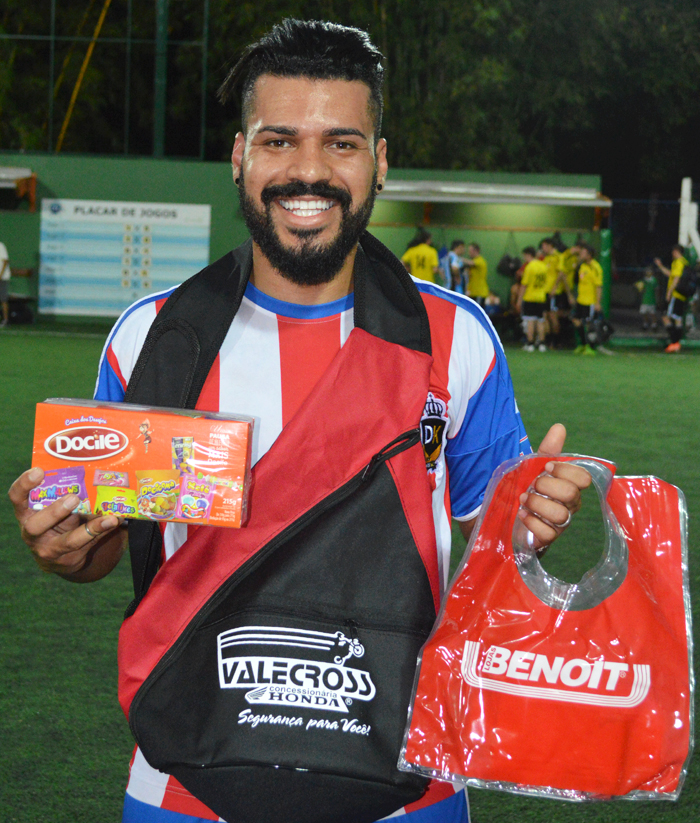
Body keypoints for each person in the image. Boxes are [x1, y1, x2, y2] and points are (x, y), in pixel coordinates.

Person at [9, 20, 590, 823]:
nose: (308, 170)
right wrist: (63, 544)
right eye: (279, 139)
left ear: (379, 162)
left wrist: (530, 520)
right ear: (240, 155)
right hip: (188, 782)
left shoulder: (458, 339)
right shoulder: (153, 338)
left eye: (341, 143)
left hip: (406, 781)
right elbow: (100, 546)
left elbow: (495, 538)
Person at [654, 245, 689, 353]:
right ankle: (676, 343)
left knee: (665, 316)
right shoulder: (684, 262)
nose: (672, 253)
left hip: (676, 294)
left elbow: (676, 279)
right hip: (682, 294)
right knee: (677, 319)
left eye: (673, 251)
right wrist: (660, 266)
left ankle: (674, 342)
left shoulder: (678, 262)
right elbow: (671, 274)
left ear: (676, 251)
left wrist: (669, 293)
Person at [572, 244, 603, 355]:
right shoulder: (582, 266)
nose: (581, 254)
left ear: (589, 255)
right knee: (576, 321)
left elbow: (598, 286)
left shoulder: (595, 267)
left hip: (590, 301)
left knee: (589, 324)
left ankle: (591, 347)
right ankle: (583, 344)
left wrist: (597, 303)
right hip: (580, 300)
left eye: (583, 253)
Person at [517, 246, 549, 351]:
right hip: (541, 297)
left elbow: (524, 285)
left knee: (530, 321)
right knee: (540, 321)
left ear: (528, 255)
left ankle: (530, 344)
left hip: (530, 297)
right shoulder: (543, 266)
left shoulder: (529, 267)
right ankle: (542, 344)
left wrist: (519, 300)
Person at [0, 240, 10, 327]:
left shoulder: (1, 246)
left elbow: (5, 261)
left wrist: (0, 275)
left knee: (3, 299)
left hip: (2, 278)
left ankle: (5, 320)